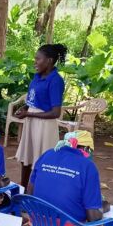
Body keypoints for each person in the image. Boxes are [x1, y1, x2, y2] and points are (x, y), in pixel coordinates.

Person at [15, 43, 68, 187]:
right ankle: (24, 189)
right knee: (27, 157)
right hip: (31, 121)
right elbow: (33, 100)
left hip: (44, 125)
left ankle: (41, 193)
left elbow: (55, 112)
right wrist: (25, 108)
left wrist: (29, 114)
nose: (35, 62)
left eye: (38, 59)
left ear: (49, 60)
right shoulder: (37, 77)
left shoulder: (55, 80)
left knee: (43, 161)